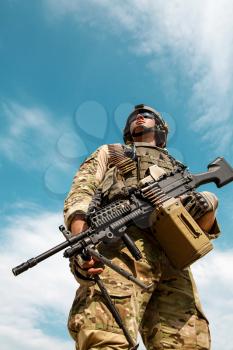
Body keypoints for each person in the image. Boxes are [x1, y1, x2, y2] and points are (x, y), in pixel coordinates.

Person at [64, 104, 220, 350]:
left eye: (147, 116)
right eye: (134, 116)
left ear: (160, 129)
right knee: (105, 338)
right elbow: (82, 192)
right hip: (121, 250)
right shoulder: (113, 152)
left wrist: (209, 205)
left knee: (188, 344)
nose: (138, 117)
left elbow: (202, 229)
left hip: (173, 260)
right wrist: (80, 242)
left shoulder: (176, 166)